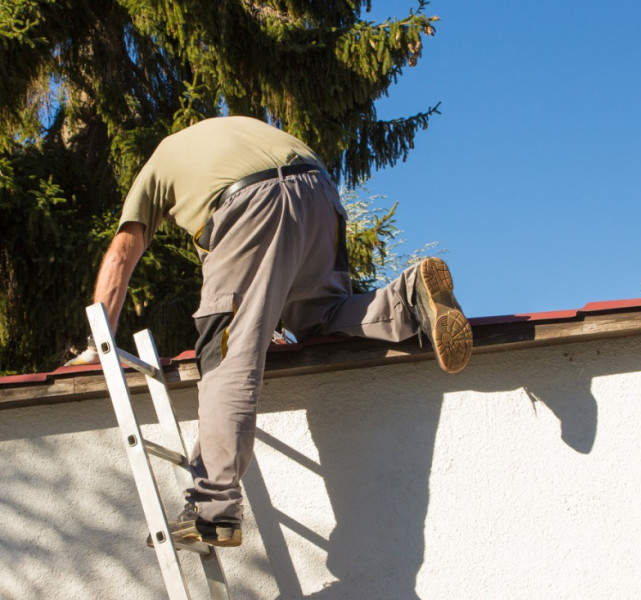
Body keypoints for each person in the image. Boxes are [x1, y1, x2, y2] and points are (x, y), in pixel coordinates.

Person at [66, 116, 473, 547]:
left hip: (247, 201)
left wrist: (99, 345)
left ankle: (213, 509)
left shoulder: (158, 164)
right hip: (319, 194)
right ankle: (408, 298)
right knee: (319, 317)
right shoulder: (239, 128)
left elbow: (122, 255)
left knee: (227, 351)